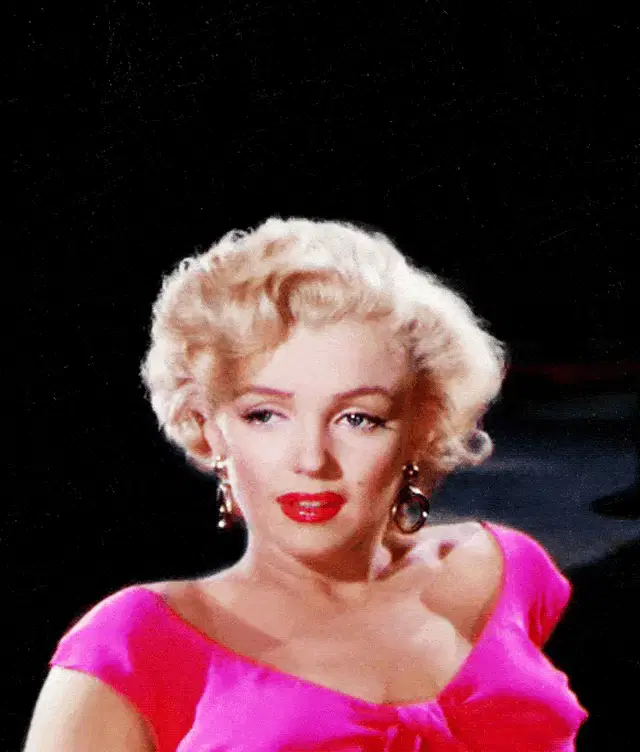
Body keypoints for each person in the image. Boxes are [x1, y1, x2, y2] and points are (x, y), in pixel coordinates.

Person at [24, 216, 588, 750]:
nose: (312, 460)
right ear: (209, 428)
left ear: (421, 427)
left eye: (358, 418)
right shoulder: (133, 644)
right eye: (265, 415)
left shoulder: (502, 571)